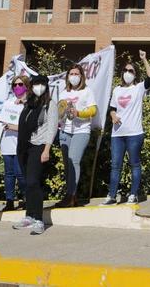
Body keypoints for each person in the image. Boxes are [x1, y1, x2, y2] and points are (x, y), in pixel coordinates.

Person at [104, 50, 150, 205]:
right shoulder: (117, 90)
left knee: (134, 164)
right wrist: (113, 116)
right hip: (117, 135)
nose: (127, 73)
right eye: (125, 70)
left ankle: (133, 195)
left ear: (135, 74)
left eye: (131, 71)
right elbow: (112, 108)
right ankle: (112, 196)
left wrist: (144, 59)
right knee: (115, 165)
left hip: (134, 133)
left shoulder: (139, 88)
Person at [12, 75, 57, 235]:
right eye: (36, 84)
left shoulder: (49, 104)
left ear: (46, 86)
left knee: (33, 181)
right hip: (24, 146)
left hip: (39, 146)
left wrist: (47, 149)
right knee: (27, 182)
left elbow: (52, 128)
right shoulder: (29, 103)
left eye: (41, 84)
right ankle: (29, 216)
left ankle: (39, 219)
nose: (39, 87)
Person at [57, 64, 96, 208]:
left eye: (77, 74)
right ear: (67, 77)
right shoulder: (63, 93)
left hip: (81, 131)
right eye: (71, 74)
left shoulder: (87, 91)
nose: (74, 76)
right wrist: (62, 113)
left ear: (81, 76)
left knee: (73, 161)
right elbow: (58, 112)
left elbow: (93, 110)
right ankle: (72, 196)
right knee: (67, 165)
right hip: (65, 131)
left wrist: (78, 113)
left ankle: (70, 196)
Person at [0, 74, 29, 212]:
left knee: (20, 173)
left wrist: (12, 126)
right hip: (7, 142)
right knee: (9, 174)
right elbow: (2, 122)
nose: (17, 87)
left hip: (21, 144)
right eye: (15, 85)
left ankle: (26, 198)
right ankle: (9, 200)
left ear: (26, 86)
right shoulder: (7, 103)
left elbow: (28, 126)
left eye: (20, 84)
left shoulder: (29, 105)